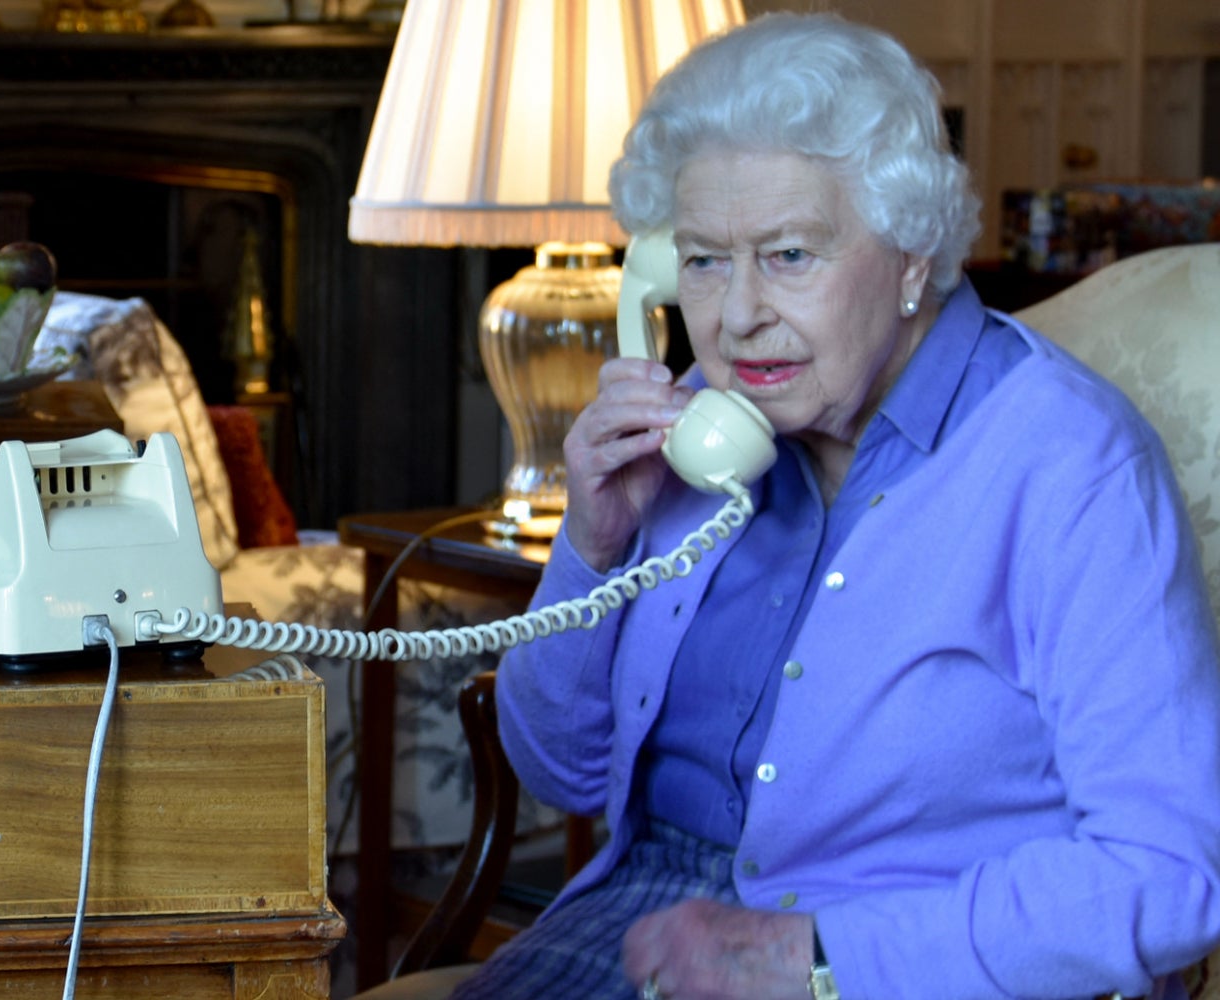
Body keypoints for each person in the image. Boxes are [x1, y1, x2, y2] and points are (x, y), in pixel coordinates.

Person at [461, 13, 1220, 1000]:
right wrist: (591, 547)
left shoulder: (1067, 465)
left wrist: (815, 958)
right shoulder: (694, 435)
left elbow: (1171, 871)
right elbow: (557, 771)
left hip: (911, 956)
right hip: (645, 922)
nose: (734, 318)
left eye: (786, 255)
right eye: (699, 259)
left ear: (912, 256)